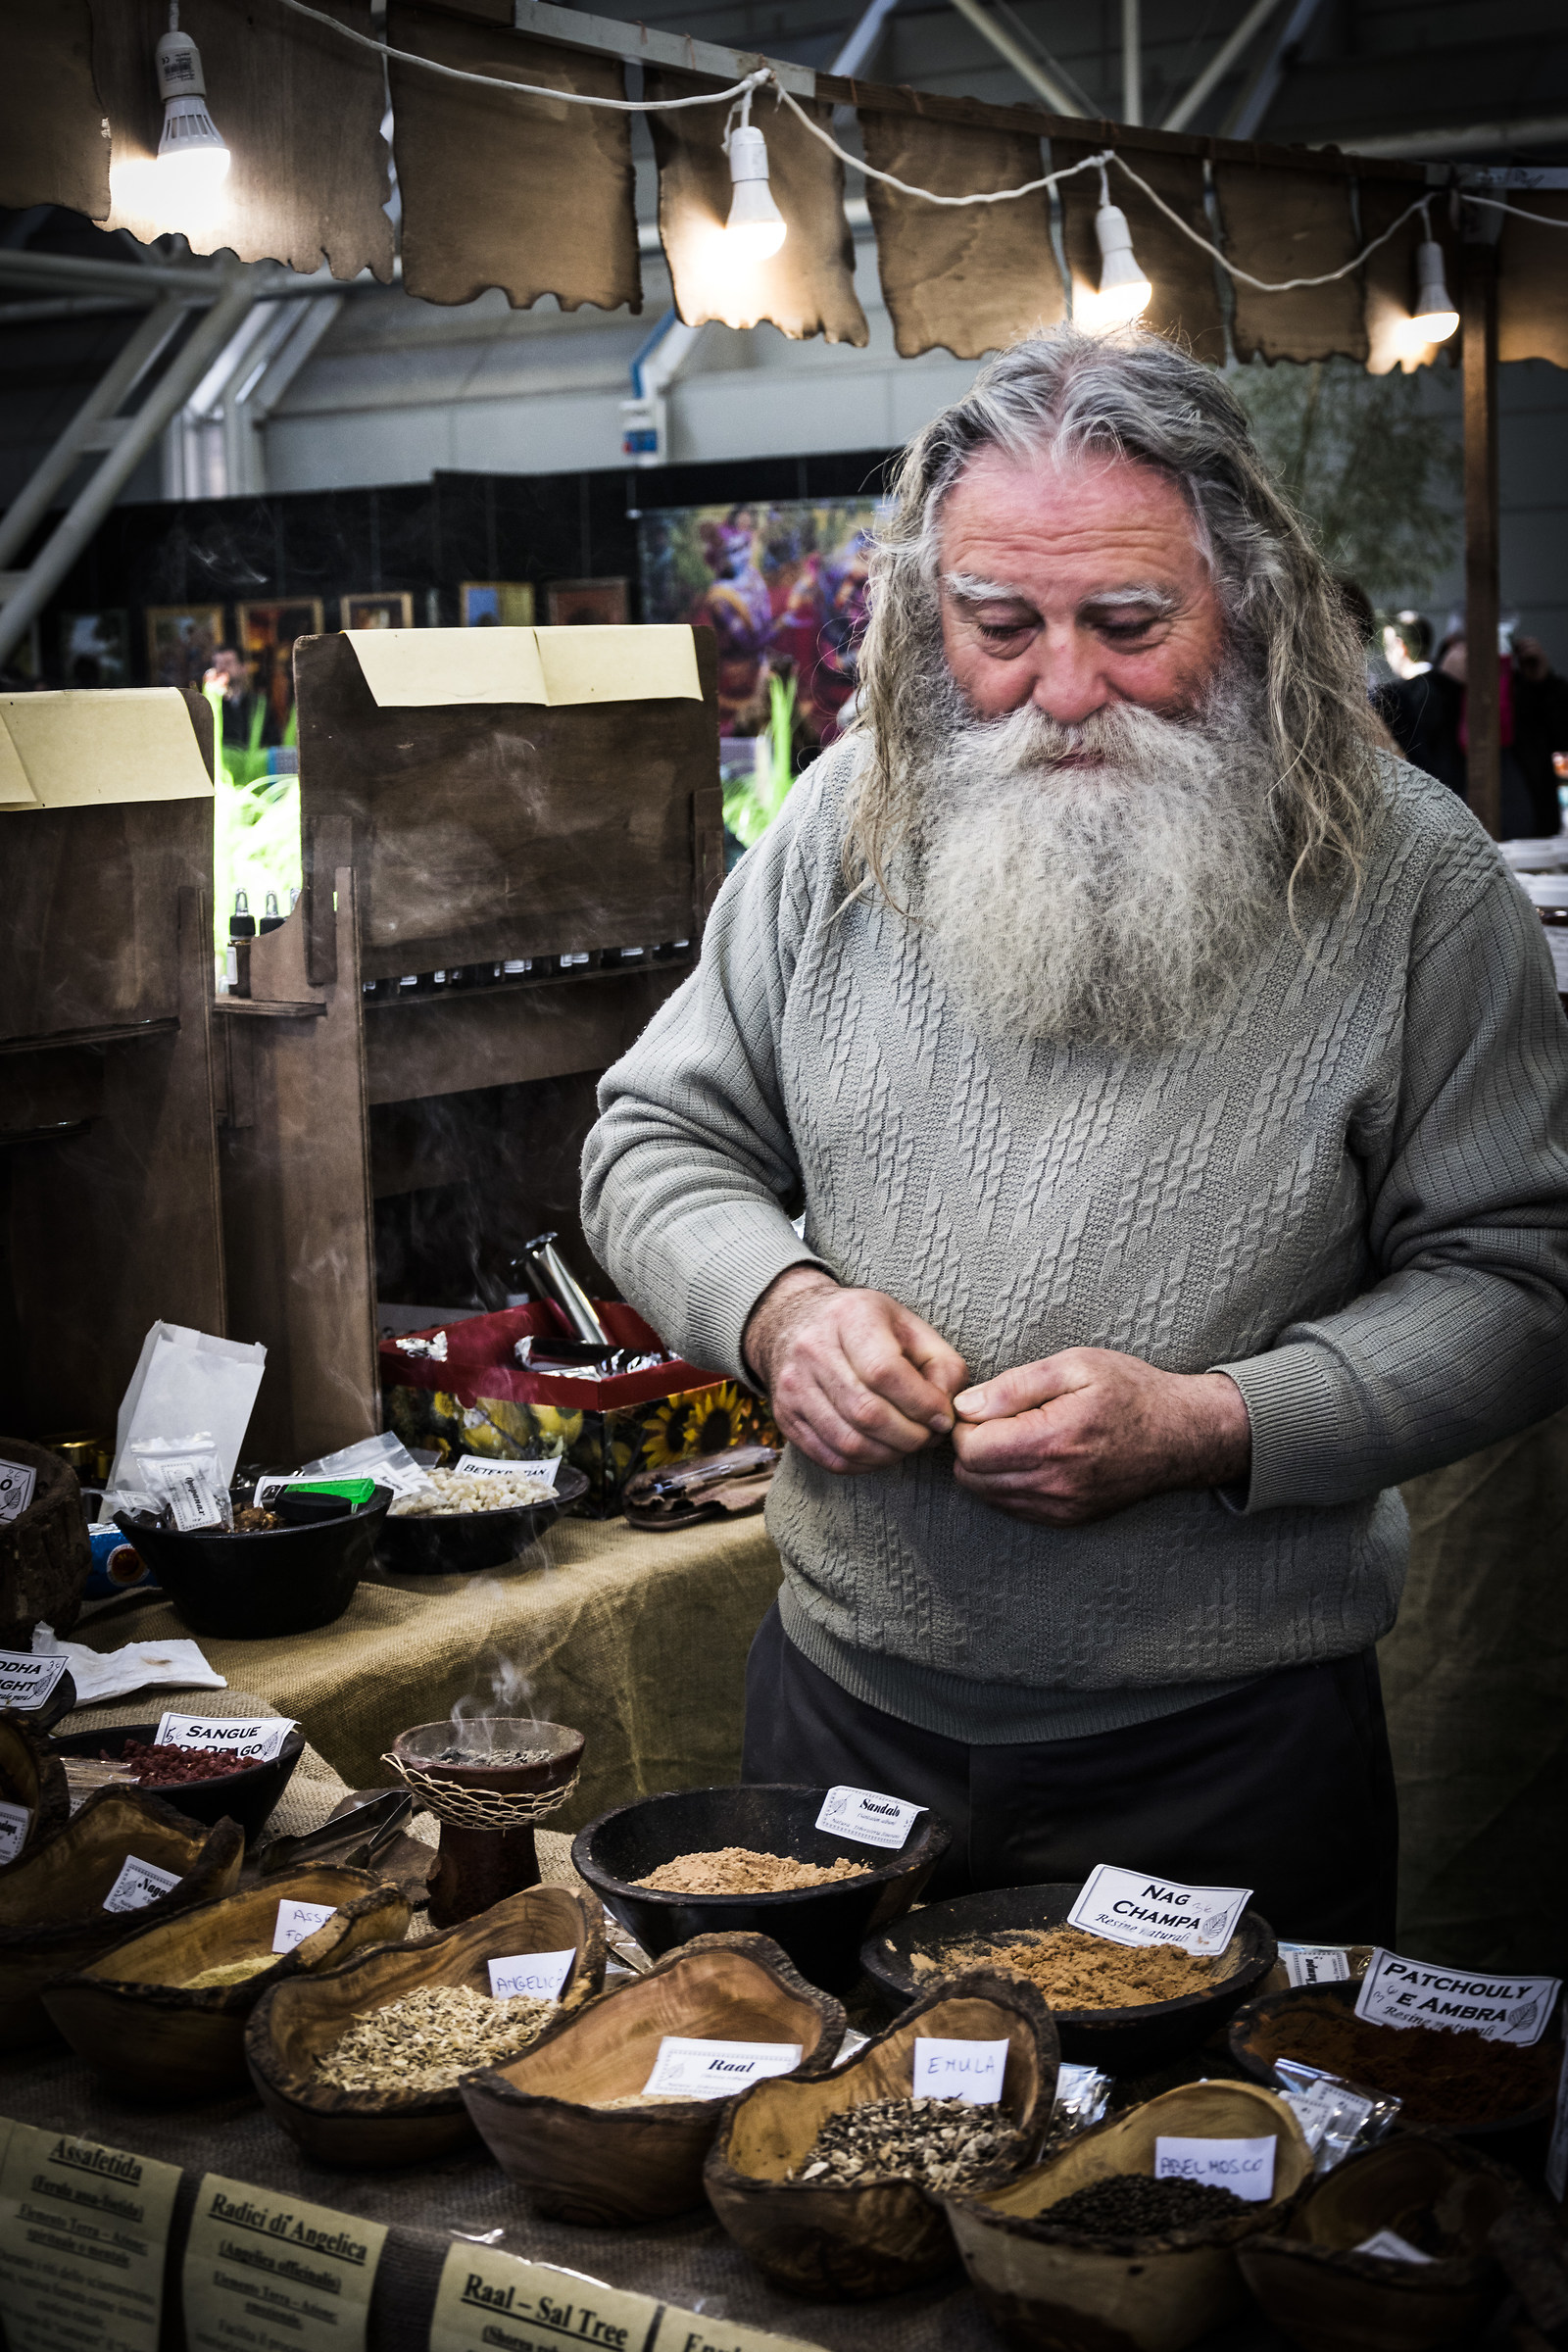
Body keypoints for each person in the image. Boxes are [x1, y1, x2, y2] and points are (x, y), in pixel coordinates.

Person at [581, 329, 1568, 1942]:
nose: (1060, 689)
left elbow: (1527, 1277)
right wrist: (781, 1312)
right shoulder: (844, 822)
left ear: (1242, 601)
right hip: (845, 1716)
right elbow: (654, 1142)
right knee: (815, 2169)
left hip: (1225, 1750)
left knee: (1197, 2183)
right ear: (924, 619)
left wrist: (1217, 1423)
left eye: (1128, 625)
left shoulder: (1416, 884)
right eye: (998, 628)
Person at [1385, 624, 1568, 838]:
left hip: (1532, 840)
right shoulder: (1430, 688)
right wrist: (1445, 682)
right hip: (1457, 841)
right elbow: (1411, 741)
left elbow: (1562, 735)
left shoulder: (1520, 687)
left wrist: (1544, 684)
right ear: (1454, 645)